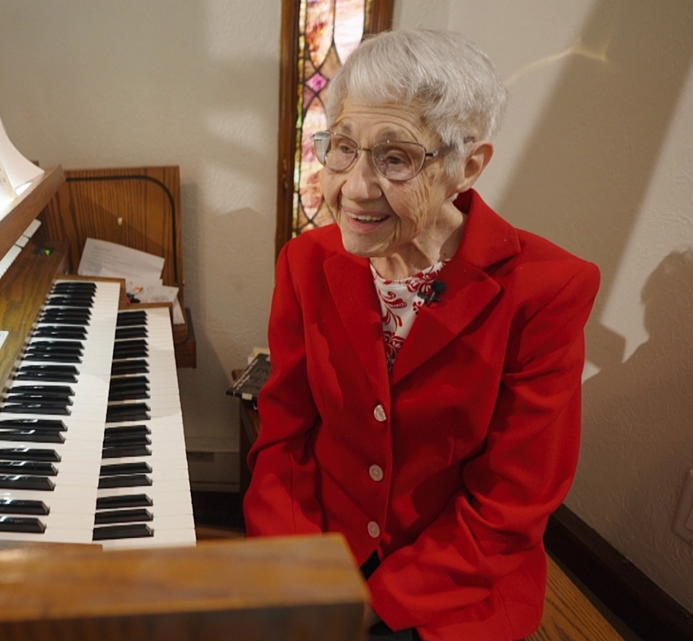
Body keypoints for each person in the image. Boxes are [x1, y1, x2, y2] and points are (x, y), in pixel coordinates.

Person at [244, 29, 600, 641]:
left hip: (454, 591)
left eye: (396, 157)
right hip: (324, 559)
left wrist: (372, 607)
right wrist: (300, 575)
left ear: (469, 166)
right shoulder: (305, 262)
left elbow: (512, 504)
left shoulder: (548, 290)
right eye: (343, 147)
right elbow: (285, 438)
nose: (354, 188)